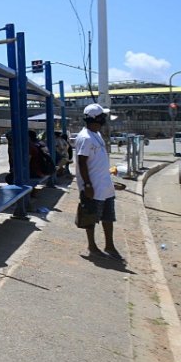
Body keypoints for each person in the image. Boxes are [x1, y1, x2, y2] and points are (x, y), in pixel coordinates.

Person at [75, 103, 123, 263]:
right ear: (97, 118)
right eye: (103, 116)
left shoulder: (97, 135)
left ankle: (109, 245)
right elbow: (82, 162)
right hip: (93, 187)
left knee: (108, 216)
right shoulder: (85, 137)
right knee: (90, 217)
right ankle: (92, 247)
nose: (105, 119)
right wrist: (87, 185)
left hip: (105, 186)